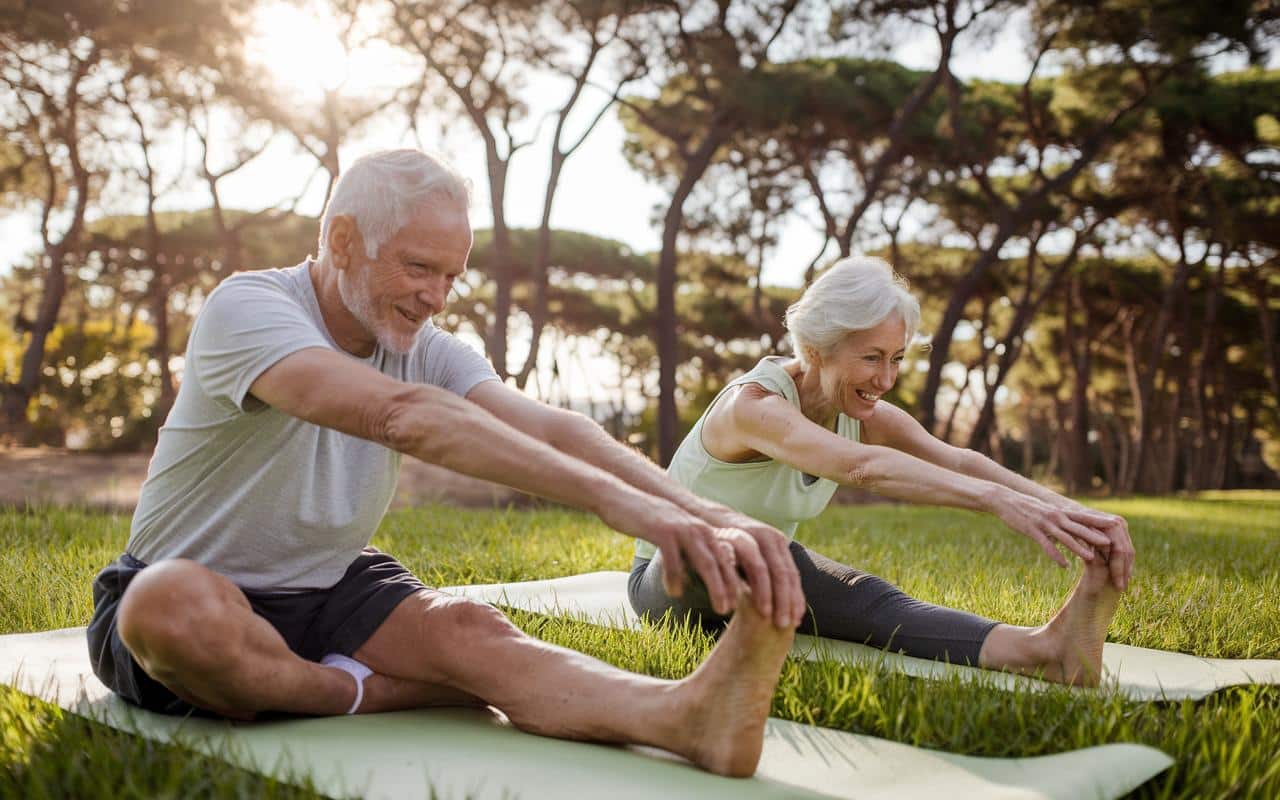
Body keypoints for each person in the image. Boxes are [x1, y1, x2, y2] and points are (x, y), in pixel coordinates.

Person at [85, 148, 809, 778]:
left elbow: (550, 428)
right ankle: (354, 692)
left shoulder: (423, 343)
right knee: (167, 607)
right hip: (189, 586)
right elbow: (400, 415)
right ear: (343, 240)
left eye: (451, 276)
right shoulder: (249, 308)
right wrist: (612, 503)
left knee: (469, 628)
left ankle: (689, 717)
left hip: (330, 584)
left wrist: (703, 511)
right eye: (418, 267)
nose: (435, 296)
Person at [628, 257, 1136, 687]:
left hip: (766, 566)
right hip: (676, 574)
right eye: (871, 358)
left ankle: (1047, 649)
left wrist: (1076, 515)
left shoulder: (857, 410)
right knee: (730, 541)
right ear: (814, 350)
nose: (886, 379)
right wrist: (994, 501)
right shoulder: (753, 407)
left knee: (869, 599)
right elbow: (861, 468)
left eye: (895, 358)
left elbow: (959, 460)